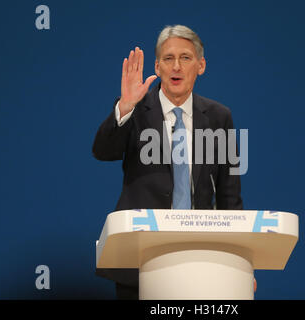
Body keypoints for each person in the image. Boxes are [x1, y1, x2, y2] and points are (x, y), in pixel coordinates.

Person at [92, 25, 243, 299]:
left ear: (201, 65)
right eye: (168, 58)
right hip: (140, 257)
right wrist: (124, 107)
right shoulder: (135, 110)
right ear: (157, 67)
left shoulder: (220, 117)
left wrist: (240, 265)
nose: (176, 66)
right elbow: (103, 151)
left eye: (185, 58)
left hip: (199, 257)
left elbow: (229, 195)